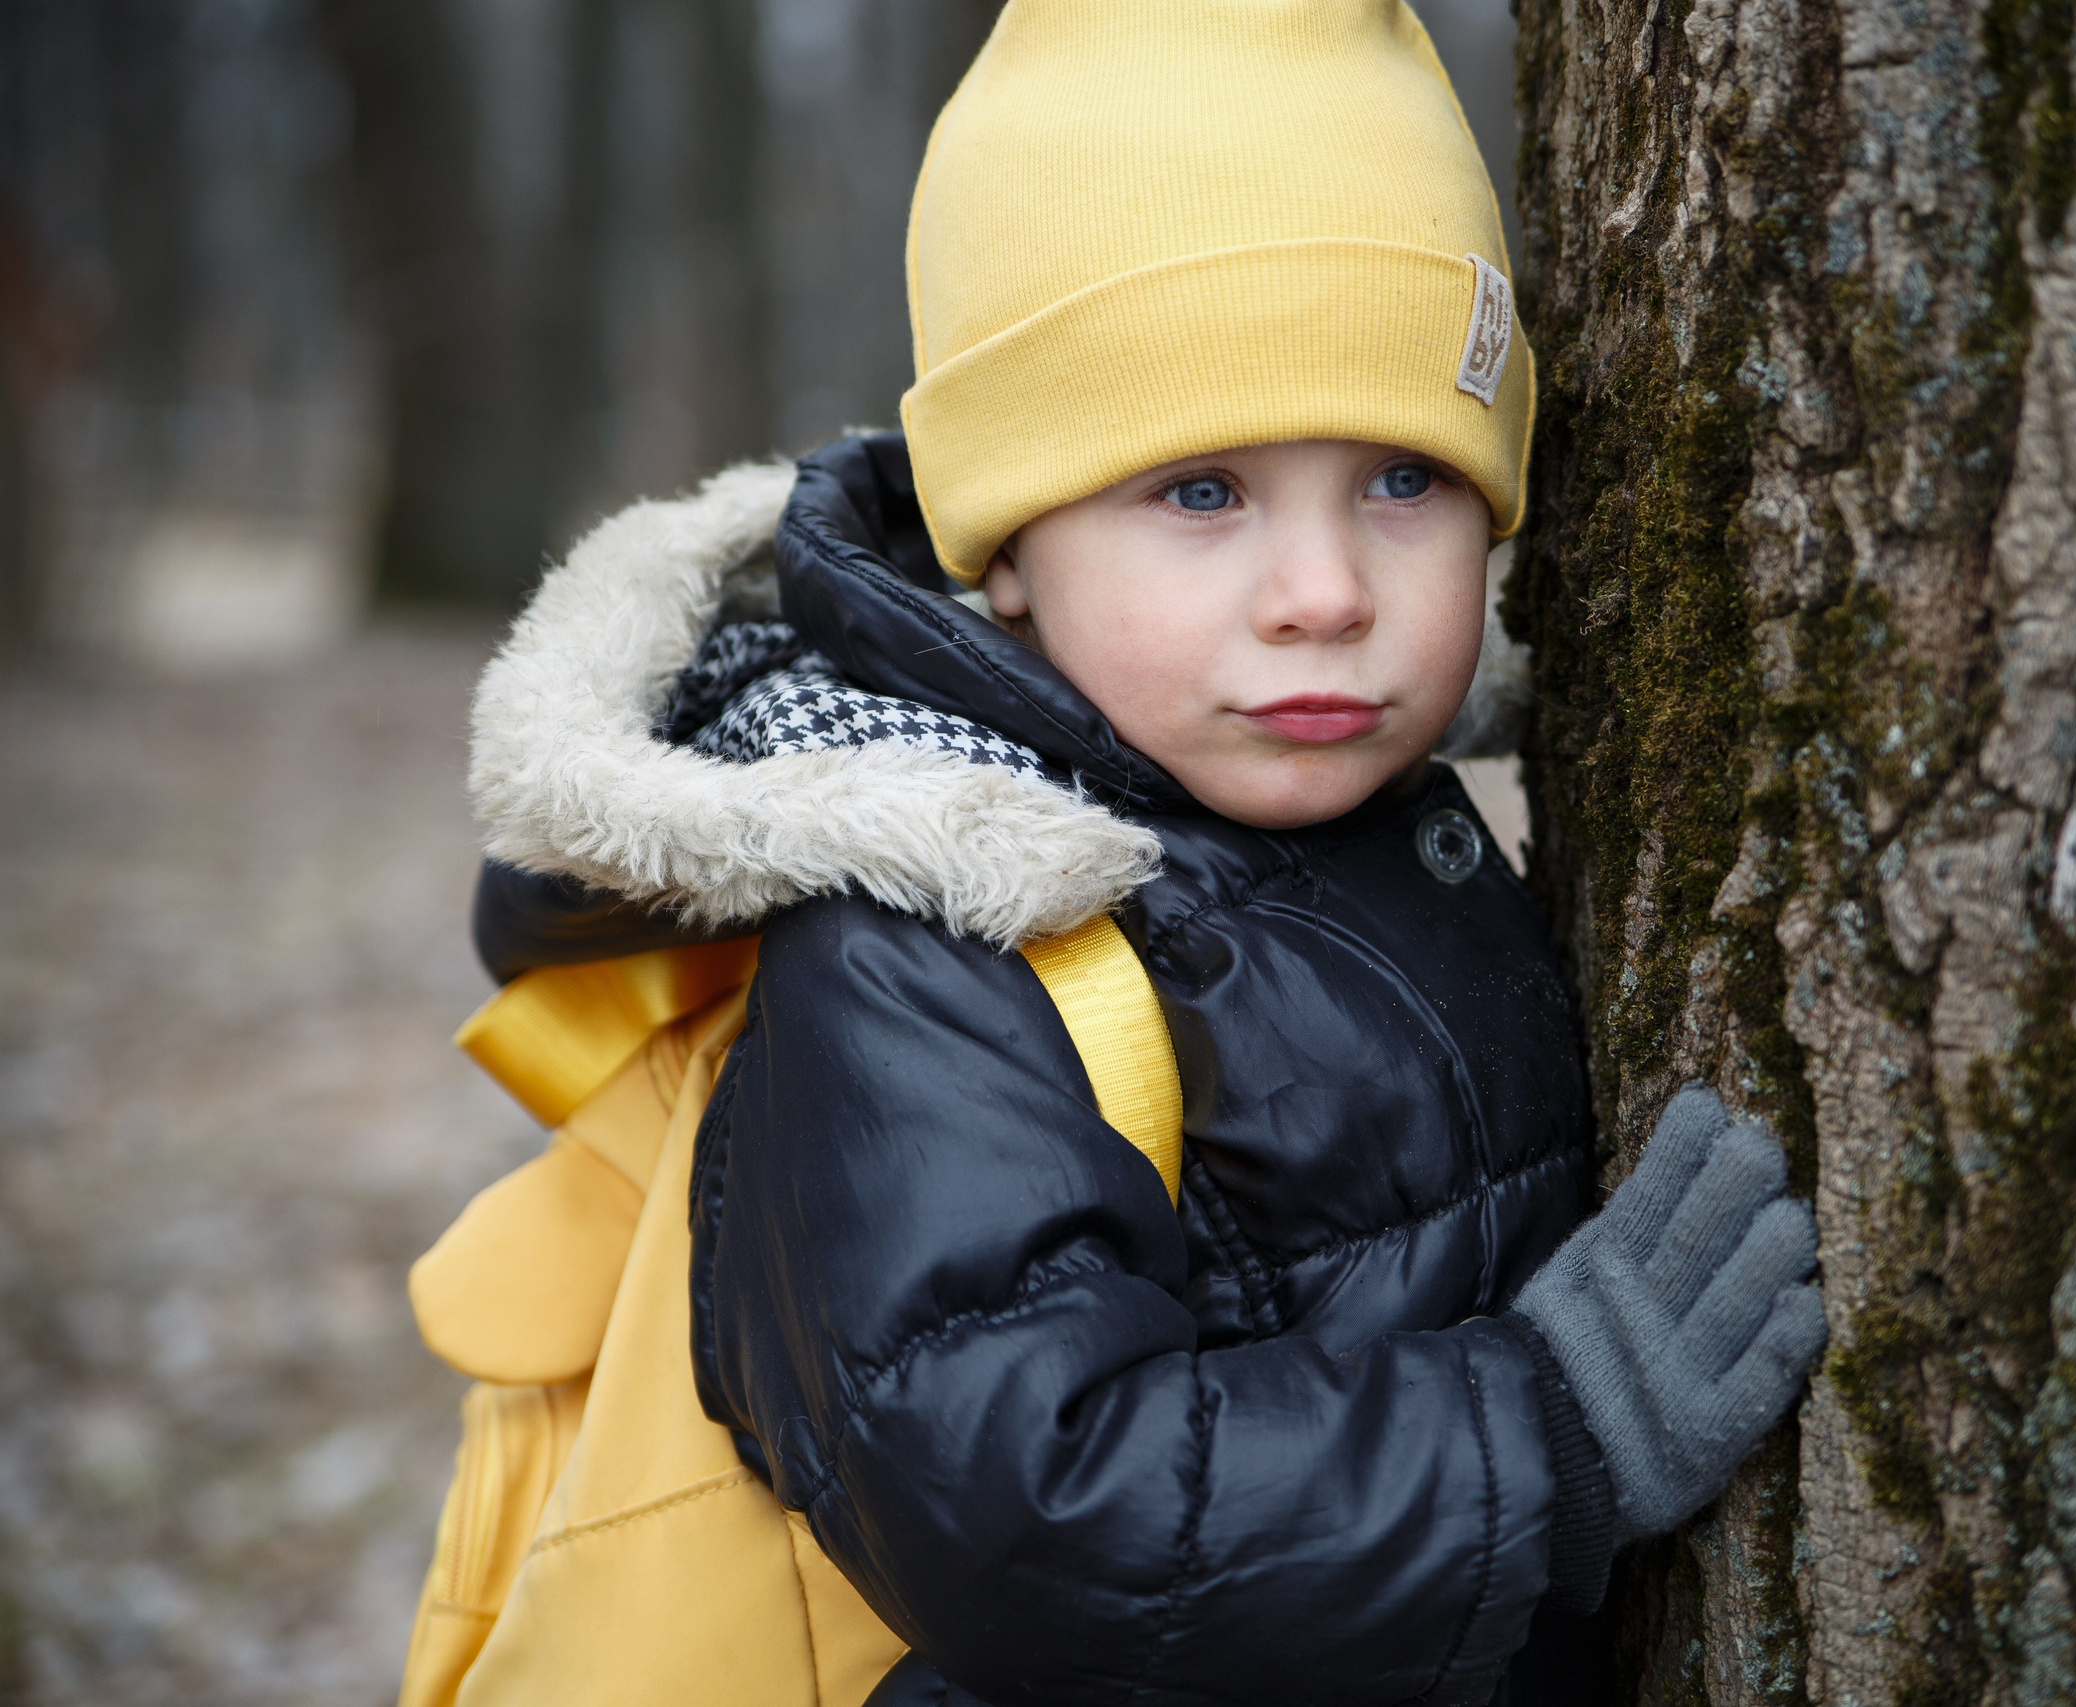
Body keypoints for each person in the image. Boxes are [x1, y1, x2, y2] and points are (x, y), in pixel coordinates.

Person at [461, 3, 1826, 1701]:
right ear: (1010, 549)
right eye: (1201, 493)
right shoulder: (925, 937)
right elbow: (1027, 1504)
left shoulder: (1337, 789)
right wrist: (1547, 1431)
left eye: (1405, 475)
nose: (1325, 591)